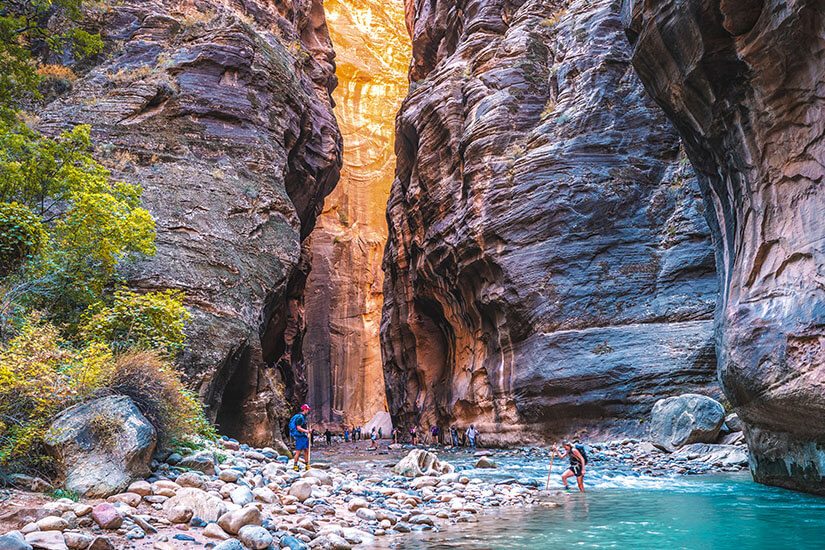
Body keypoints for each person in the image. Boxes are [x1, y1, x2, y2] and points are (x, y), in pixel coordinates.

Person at [289, 404, 311, 471]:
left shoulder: (304, 417)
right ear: (304, 410)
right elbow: (298, 428)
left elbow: (305, 425)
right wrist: (307, 431)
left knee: (306, 450)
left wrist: (307, 433)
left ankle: (307, 465)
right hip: (300, 437)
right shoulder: (300, 417)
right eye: (307, 409)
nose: (308, 411)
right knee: (298, 451)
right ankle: (295, 465)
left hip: (304, 436)